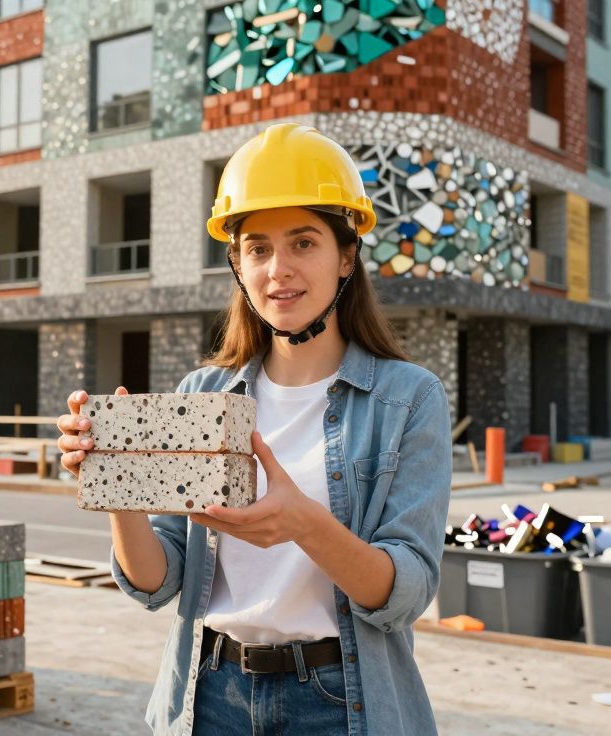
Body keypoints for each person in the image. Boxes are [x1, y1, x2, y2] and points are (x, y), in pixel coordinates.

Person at [56, 122, 451, 735]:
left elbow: (405, 595)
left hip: (337, 700)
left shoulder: (408, 398)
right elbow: (158, 584)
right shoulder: (203, 395)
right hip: (210, 694)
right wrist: (118, 484)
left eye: (303, 243)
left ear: (346, 254)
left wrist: (306, 526)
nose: (278, 270)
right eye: (258, 248)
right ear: (237, 263)